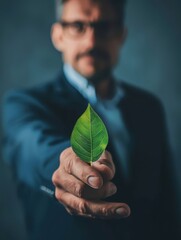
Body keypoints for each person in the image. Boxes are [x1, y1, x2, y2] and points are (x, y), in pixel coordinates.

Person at [2, 0, 179, 239]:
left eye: (104, 27)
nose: (91, 41)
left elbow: (166, 203)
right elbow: (32, 146)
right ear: (58, 35)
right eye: (77, 25)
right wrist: (66, 163)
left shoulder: (148, 108)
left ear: (121, 35)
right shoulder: (24, 104)